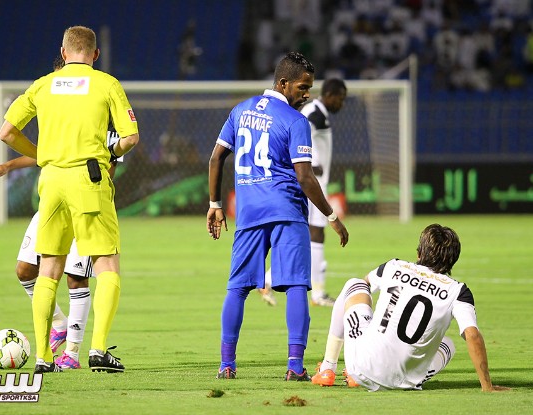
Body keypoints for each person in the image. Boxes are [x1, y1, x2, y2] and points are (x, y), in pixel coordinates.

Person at [0, 25, 139, 373]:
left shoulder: (43, 85)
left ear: (63, 53)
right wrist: (111, 151)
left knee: (49, 269)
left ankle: (44, 357)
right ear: (94, 54)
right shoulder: (107, 84)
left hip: (51, 183)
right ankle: (97, 350)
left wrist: (41, 152)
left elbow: (7, 132)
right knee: (107, 263)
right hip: (88, 180)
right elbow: (131, 138)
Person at [206, 52, 349, 381]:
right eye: (302, 86)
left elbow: (216, 158)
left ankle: (227, 365)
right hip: (286, 210)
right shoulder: (295, 121)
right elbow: (305, 177)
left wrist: (215, 203)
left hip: (249, 212)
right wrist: (331, 216)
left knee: (237, 288)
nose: (307, 94)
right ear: (283, 83)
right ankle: (295, 367)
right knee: (298, 285)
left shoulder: (240, 111)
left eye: (310, 88)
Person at [311, 224, 509, 392]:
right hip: (403, 383)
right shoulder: (459, 291)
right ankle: (412, 376)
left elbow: (365, 286)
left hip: (361, 365)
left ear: (419, 253)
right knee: (448, 345)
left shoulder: (395, 266)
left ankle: (328, 367)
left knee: (354, 284)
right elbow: (472, 335)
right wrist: (487, 386)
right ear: (453, 259)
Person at [0, 128, 123, 370]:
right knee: (25, 270)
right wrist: (9, 165)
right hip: (53, 199)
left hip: (86, 200)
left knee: (76, 277)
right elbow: (46, 154)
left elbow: (108, 169)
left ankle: (72, 353)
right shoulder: (70, 108)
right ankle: (59, 325)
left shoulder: (109, 124)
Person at [260, 79, 348, 307]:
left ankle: (270, 279)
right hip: (310, 183)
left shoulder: (319, 113)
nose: (342, 103)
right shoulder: (313, 113)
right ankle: (315, 293)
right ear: (329, 94)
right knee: (314, 234)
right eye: (340, 97)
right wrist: (307, 164)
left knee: (307, 236)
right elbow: (294, 135)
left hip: (315, 182)